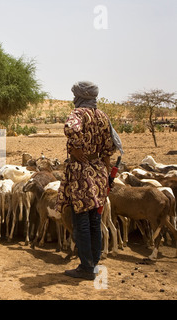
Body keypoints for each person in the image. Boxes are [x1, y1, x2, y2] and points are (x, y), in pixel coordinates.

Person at [56, 81, 121, 280]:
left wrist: (76, 148)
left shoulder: (78, 114)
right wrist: (106, 170)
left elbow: (71, 128)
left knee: (81, 219)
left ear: (79, 96)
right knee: (95, 219)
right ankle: (93, 263)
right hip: (99, 171)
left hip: (81, 173)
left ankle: (85, 267)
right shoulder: (102, 116)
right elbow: (110, 147)